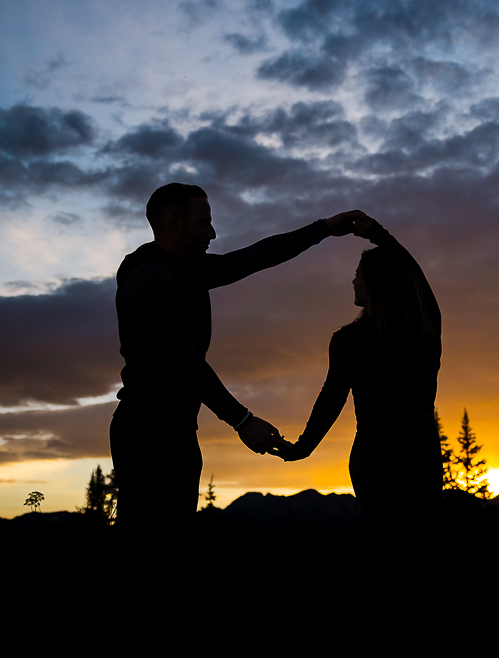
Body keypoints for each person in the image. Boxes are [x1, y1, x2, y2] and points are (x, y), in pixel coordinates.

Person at [110, 181, 364, 529]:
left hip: (177, 431)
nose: (212, 232)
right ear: (173, 222)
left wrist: (323, 229)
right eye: (204, 222)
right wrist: (242, 421)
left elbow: (255, 257)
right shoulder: (149, 278)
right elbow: (185, 362)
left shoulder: (189, 270)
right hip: (147, 436)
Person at [277, 214, 442, 534]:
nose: (353, 282)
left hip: (374, 455)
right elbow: (415, 276)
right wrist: (378, 235)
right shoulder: (425, 329)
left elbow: (331, 398)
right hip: (420, 452)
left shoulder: (348, 341)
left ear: (375, 283)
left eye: (358, 275)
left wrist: (302, 448)